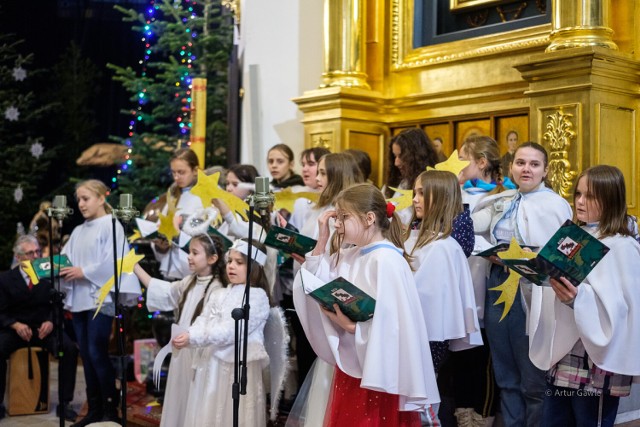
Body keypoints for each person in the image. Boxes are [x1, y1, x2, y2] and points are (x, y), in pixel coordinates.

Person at [293, 183, 440, 426]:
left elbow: (394, 328)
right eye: (336, 217)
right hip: (352, 364)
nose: (337, 224)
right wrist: (322, 238)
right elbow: (315, 283)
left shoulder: (386, 260)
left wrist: (352, 328)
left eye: (343, 217)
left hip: (377, 371)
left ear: (369, 218)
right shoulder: (352, 254)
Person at [528, 165, 640, 427]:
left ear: (610, 198)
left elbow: (624, 308)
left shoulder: (623, 245)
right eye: (577, 194)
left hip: (597, 362)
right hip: (564, 354)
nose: (579, 201)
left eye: (589, 196)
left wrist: (579, 299)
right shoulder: (571, 238)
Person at [472, 142, 572, 427]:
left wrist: (528, 257)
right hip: (499, 283)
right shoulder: (502, 200)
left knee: (533, 374)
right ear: (511, 167)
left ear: (545, 170)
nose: (526, 169)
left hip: (534, 288)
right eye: (520, 162)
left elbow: (561, 253)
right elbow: (471, 229)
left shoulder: (554, 204)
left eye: (534, 164)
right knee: (505, 372)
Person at [60, 179, 142, 427]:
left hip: (100, 298)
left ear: (101, 198)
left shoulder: (112, 225)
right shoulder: (78, 231)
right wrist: (57, 268)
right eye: (79, 200)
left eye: (86, 199)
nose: (81, 204)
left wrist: (83, 271)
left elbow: (115, 262)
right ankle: (94, 408)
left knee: (97, 351)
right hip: (80, 300)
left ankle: (110, 406)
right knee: (86, 353)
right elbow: (66, 259)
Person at [175, 239, 274, 427]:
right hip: (210, 364)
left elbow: (230, 332)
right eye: (230, 261)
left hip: (235, 369)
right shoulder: (219, 293)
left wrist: (195, 337)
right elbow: (203, 320)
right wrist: (189, 334)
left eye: (239, 262)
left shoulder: (257, 297)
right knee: (207, 411)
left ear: (254, 267)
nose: (231, 266)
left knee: (230, 413)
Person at [134, 233, 227, 427]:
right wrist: (134, 268)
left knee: (194, 397)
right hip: (181, 353)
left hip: (199, 355)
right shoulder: (189, 282)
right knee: (179, 394)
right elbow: (162, 290)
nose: (189, 257)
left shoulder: (217, 289)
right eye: (189, 252)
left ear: (212, 258)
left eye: (195, 253)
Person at [453, 135, 514, 426]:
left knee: (482, 363)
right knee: (460, 364)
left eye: (462, 158)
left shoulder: (498, 199)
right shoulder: (460, 195)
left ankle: (481, 416)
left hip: (481, 286)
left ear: (481, 163)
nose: (456, 164)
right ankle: (463, 412)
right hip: (456, 286)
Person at [405, 170, 481, 372]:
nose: (415, 200)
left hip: (426, 328)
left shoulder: (443, 246)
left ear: (441, 196)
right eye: (414, 193)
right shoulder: (417, 232)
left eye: (422, 193)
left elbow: (428, 293)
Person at [0, 235, 79, 422]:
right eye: (30, 253)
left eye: (37, 252)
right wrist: (15, 324)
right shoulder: (4, 279)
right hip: (15, 330)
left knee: (69, 349)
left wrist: (51, 321)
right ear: (18, 257)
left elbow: (58, 307)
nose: (36, 257)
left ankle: (64, 403)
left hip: (43, 330)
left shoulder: (48, 275)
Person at [153, 148, 204, 280]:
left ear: (195, 170)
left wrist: (177, 234)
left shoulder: (204, 196)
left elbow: (205, 236)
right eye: (173, 172)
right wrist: (160, 246)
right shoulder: (174, 195)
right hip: (171, 271)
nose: (176, 177)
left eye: (181, 172)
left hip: (192, 270)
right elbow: (162, 226)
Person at [384, 127, 439, 225]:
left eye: (401, 156)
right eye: (394, 156)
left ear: (416, 157)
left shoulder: (435, 184)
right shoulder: (397, 182)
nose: (396, 163)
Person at [289, 146, 330, 231]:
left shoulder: (330, 199)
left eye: (311, 164)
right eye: (303, 165)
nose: (304, 169)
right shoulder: (298, 194)